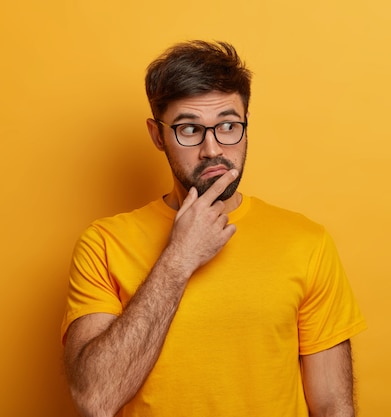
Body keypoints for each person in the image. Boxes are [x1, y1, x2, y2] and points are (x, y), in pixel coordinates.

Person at [61, 40, 367, 417]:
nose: (212, 149)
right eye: (190, 129)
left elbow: (334, 407)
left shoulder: (307, 243)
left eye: (227, 125)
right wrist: (178, 259)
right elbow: (95, 399)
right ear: (158, 136)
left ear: (245, 125)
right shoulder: (104, 243)